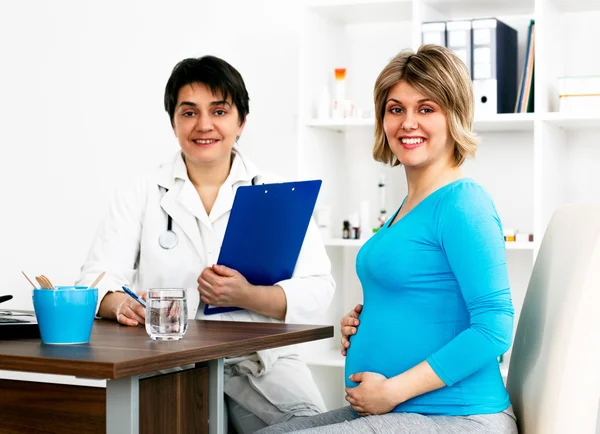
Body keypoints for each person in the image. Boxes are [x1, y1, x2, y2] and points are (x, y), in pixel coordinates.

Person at [254, 44, 518, 434]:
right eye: (396, 109)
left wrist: (393, 390)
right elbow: (424, 297)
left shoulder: (463, 203)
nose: (407, 122)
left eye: (426, 109)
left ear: (455, 115)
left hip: (460, 416)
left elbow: (494, 326)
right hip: (403, 411)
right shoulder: (409, 206)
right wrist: (367, 322)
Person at [76, 55, 335, 434]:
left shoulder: (277, 192)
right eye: (189, 112)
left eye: (219, 110)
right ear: (173, 121)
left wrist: (248, 295)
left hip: (261, 364)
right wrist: (119, 304)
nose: (204, 125)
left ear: (241, 122)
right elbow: (94, 279)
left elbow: (318, 289)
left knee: (312, 430)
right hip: (168, 363)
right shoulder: (143, 192)